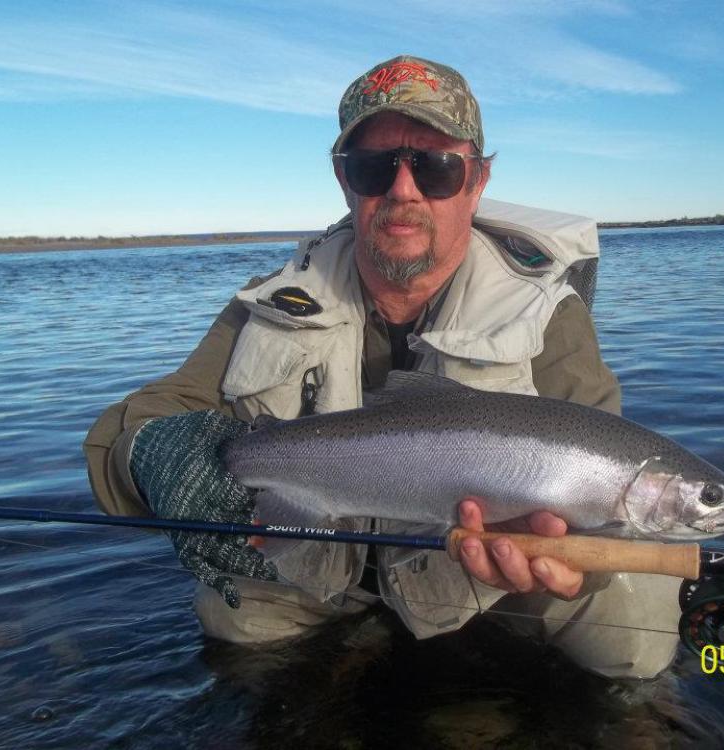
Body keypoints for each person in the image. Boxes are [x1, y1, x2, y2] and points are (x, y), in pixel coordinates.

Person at [83, 54, 681, 679]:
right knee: (230, 617)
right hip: (314, 559)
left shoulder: (547, 313)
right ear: (344, 180)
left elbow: (604, 468)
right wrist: (156, 455)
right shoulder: (271, 303)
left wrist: (575, 560)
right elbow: (135, 424)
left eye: (436, 166)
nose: (403, 190)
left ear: (477, 180)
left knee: (629, 634)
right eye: (374, 166)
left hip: (476, 571)